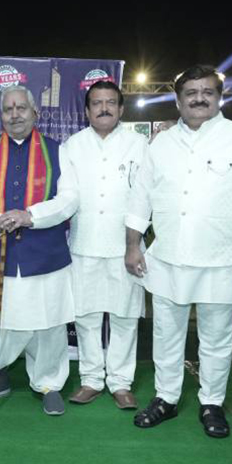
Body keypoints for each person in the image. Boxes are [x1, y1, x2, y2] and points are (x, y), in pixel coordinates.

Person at [125, 65, 232, 438]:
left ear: (219, 97)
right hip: (168, 257)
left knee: (217, 336)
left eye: (207, 92)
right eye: (190, 93)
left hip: (222, 260)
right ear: (178, 100)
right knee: (166, 333)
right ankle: (166, 398)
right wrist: (132, 245)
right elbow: (141, 198)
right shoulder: (160, 144)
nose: (199, 99)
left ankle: (212, 403)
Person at [0, 85, 79, 416]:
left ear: (35, 113)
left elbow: (70, 198)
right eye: (8, 109)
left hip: (45, 255)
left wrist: (31, 216)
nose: (15, 114)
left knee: (48, 323)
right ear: (1, 115)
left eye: (21, 108)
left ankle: (49, 383)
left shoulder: (56, 151)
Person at [60, 81, 148, 410]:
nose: (104, 108)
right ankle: (91, 380)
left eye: (111, 102)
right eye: (97, 103)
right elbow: (65, 197)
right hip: (83, 243)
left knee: (125, 316)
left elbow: (145, 197)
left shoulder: (139, 145)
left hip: (127, 245)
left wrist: (134, 244)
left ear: (121, 109)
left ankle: (121, 382)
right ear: (86, 111)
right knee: (86, 316)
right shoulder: (72, 146)